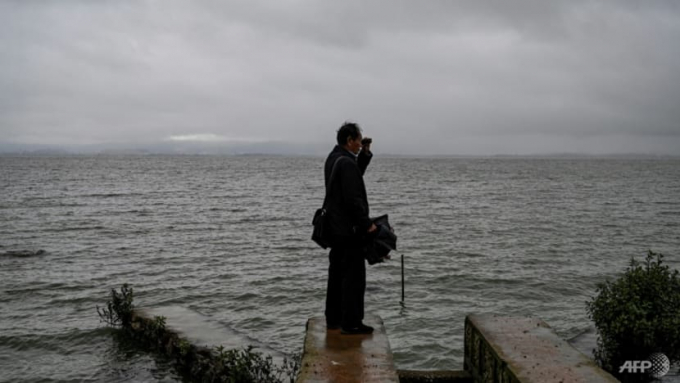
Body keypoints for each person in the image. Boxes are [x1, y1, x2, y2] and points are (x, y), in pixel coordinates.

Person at [323, 122, 377, 335]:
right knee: (354, 277)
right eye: (358, 141)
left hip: (335, 230)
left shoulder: (333, 159)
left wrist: (364, 154)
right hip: (349, 231)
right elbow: (353, 198)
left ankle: (334, 319)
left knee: (336, 275)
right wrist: (367, 224)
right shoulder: (346, 163)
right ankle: (352, 322)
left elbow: (353, 176)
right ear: (349, 140)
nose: (359, 144)